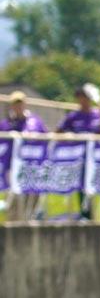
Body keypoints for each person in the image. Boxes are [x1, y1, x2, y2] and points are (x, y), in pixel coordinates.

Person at [59, 83, 100, 219]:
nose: (83, 100)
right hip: (81, 159)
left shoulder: (97, 115)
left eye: (85, 97)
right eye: (80, 97)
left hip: (99, 158)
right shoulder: (72, 117)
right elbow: (58, 132)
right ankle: (86, 216)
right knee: (83, 186)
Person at [2, 91, 47, 221]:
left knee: (33, 197)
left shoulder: (35, 121)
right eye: (15, 104)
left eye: (20, 103)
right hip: (12, 168)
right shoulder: (6, 124)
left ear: (25, 104)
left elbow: (46, 137)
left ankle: (29, 222)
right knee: (14, 199)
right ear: (11, 106)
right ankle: (13, 225)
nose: (18, 106)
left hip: (32, 167)